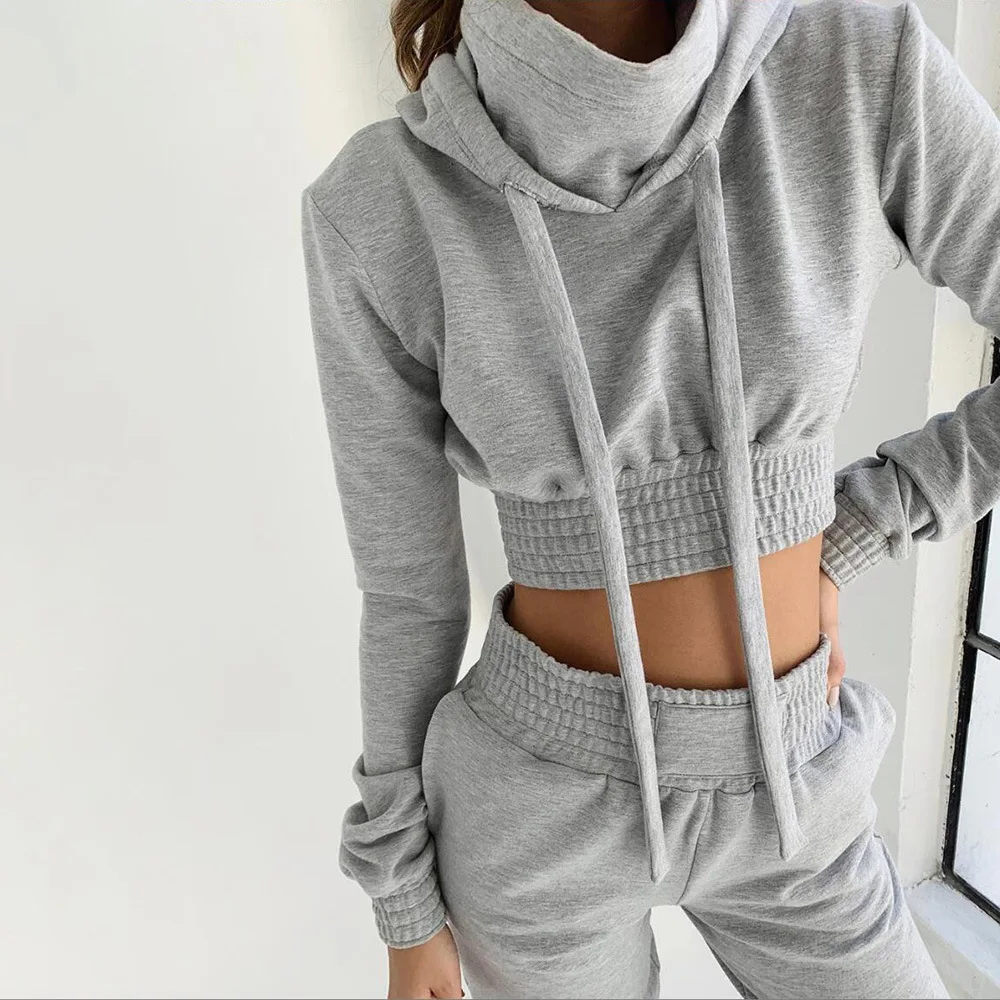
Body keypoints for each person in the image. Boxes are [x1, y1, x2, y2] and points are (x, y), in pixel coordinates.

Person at [299, 0, 1000, 995]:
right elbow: (409, 595)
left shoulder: (854, 61)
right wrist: (402, 900)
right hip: (532, 823)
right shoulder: (380, 201)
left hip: (799, 789)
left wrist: (858, 525)